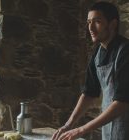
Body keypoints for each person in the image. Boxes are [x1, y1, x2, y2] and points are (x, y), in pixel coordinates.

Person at [51, 1, 129, 140]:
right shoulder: (98, 53)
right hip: (109, 128)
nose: (90, 28)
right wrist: (68, 125)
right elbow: (89, 92)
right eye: (88, 22)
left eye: (97, 21)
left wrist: (81, 129)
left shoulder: (125, 51)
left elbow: (122, 102)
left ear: (113, 24)